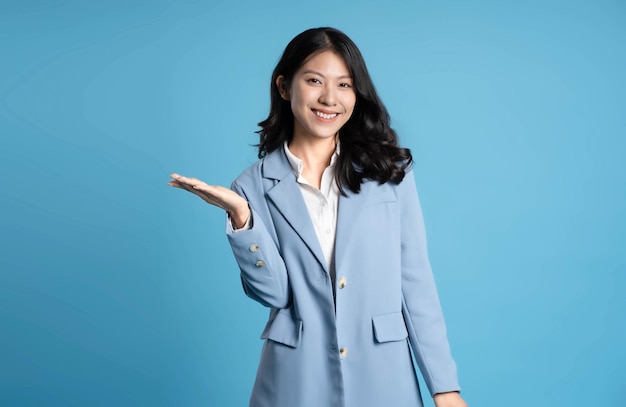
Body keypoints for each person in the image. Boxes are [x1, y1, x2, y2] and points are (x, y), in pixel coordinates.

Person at [168, 27, 467, 407]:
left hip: (384, 374)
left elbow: (415, 282)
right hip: (296, 378)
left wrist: (445, 387)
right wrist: (242, 218)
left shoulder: (389, 172)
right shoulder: (252, 186)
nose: (330, 98)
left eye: (344, 85)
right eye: (314, 81)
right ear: (284, 86)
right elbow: (274, 294)